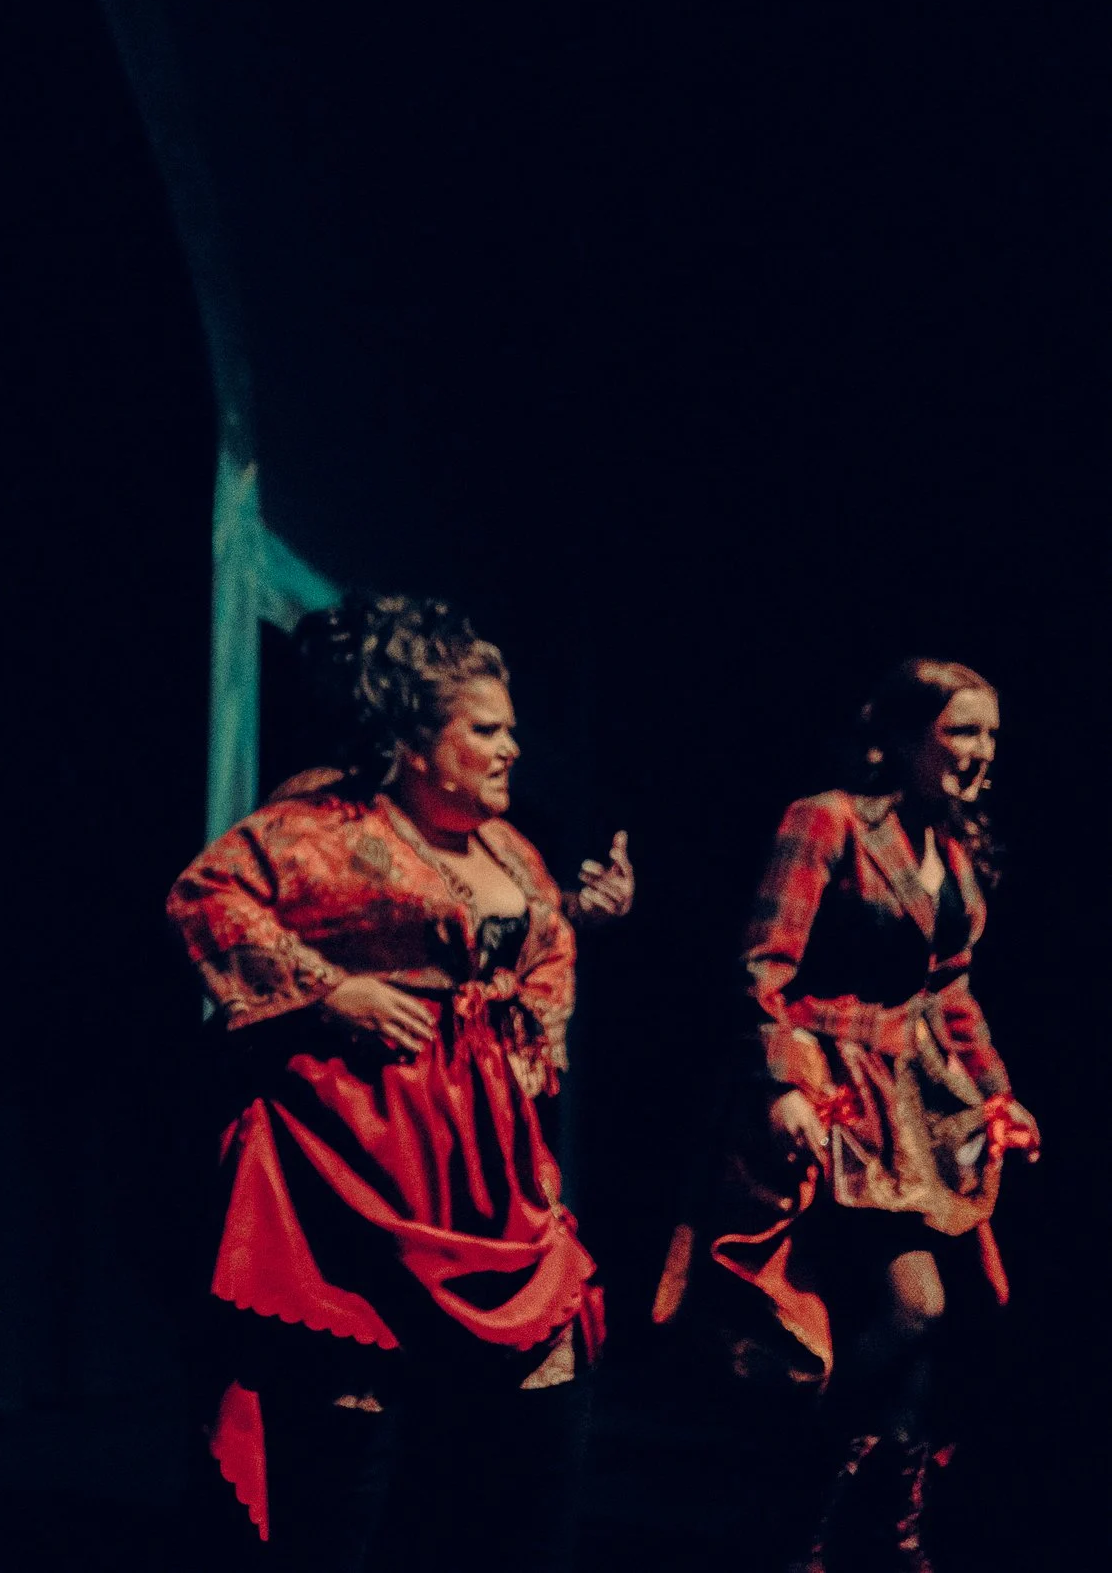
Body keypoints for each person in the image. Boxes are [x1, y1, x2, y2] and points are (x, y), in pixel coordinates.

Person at [166, 595, 631, 1573]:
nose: (511, 747)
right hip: (360, 1159)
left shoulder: (509, 847)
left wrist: (544, 996)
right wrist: (331, 993)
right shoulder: (318, 828)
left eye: (511, 728)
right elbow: (204, 897)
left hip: (489, 1166)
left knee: (541, 1403)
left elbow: (538, 950)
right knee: (348, 1442)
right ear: (415, 741)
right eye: (487, 729)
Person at [654, 659, 1038, 1572]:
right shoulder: (826, 818)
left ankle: (872, 1544)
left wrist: (996, 1091)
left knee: (919, 1350)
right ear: (906, 735)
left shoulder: (949, 841)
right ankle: (790, 1501)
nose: (982, 754)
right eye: (962, 733)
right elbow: (762, 966)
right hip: (834, 1096)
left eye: (990, 734)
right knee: (915, 1303)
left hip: (919, 1114)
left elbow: (951, 989)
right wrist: (782, 1083)